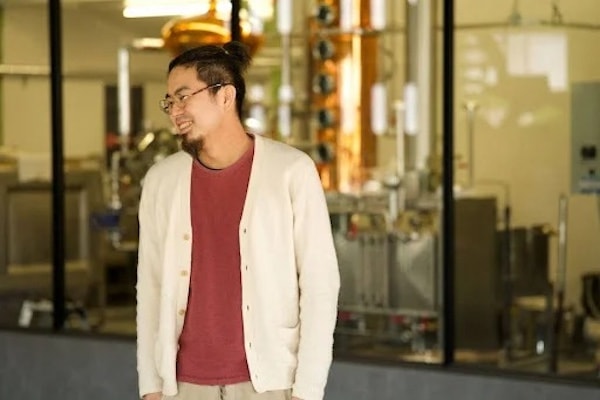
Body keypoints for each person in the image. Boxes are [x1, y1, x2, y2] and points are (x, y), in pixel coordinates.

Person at [136, 41, 340, 400]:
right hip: (182, 386)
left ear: (225, 96)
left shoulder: (291, 171)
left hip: (270, 383)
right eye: (169, 101)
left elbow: (320, 285)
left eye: (184, 97)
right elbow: (150, 288)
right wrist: (150, 386)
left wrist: (307, 390)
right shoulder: (161, 181)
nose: (175, 111)